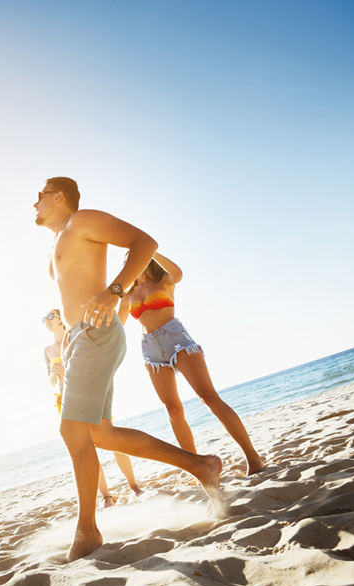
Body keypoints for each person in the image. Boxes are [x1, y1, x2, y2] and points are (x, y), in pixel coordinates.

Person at [33, 177, 224, 561]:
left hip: (98, 334)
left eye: (38, 196)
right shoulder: (58, 243)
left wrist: (115, 290)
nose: (33, 204)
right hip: (81, 338)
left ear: (57, 197)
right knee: (98, 434)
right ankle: (201, 465)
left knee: (71, 430)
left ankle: (87, 532)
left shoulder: (81, 221)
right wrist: (69, 336)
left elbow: (145, 243)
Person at [118, 252, 263, 475]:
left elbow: (178, 273)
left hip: (176, 339)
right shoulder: (128, 295)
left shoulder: (164, 280)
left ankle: (253, 458)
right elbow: (117, 324)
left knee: (209, 397)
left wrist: (150, 249)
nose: (133, 262)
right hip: (149, 349)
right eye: (129, 260)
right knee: (173, 410)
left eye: (136, 256)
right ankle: (198, 468)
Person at [42, 309, 143, 507]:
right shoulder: (47, 350)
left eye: (50, 317)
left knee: (110, 437)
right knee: (86, 448)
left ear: (60, 317)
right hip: (64, 399)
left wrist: (68, 368)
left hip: (88, 392)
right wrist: (55, 373)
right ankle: (106, 497)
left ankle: (134, 487)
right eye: (43, 319)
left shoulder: (75, 335)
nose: (46, 321)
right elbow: (51, 381)